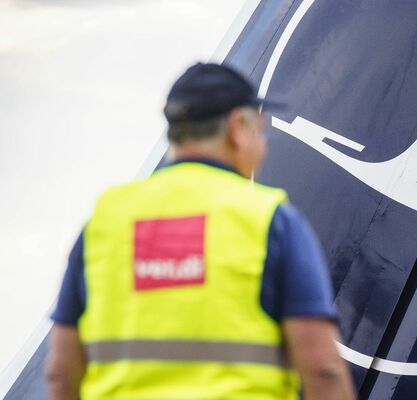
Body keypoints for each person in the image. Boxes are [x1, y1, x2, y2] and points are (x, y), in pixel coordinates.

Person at [46, 63, 356, 400]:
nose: (262, 146)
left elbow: (61, 373)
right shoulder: (268, 219)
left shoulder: (104, 222)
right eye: (259, 131)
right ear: (237, 128)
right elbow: (323, 370)